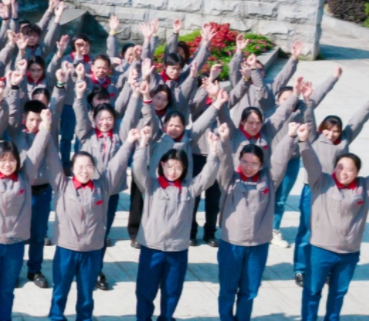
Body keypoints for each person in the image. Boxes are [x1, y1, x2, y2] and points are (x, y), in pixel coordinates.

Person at [297, 123, 369, 321]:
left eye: (350, 170)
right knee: (312, 290)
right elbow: (310, 160)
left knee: (338, 293)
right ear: (334, 168)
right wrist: (303, 141)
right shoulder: (321, 182)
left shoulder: (365, 187)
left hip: (348, 254)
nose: (344, 172)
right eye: (340, 167)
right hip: (320, 251)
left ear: (357, 172)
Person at [0, 108, 55, 321]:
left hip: (15, 243)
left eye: (11, 160)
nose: (7, 164)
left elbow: (36, 152)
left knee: (7, 290)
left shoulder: (25, 177)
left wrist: (45, 127)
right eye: (2, 160)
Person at [48, 120, 139, 321]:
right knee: (60, 290)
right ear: (72, 168)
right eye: (79, 166)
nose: (84, 170)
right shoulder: (62, 185)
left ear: (94, 169)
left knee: (86, 294)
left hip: (92, 250)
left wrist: (129, 142)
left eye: (88, 166)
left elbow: (116, 165)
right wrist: (46, 130)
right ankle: (56, 317)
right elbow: (52, 158)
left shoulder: (102, 186)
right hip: (66, 249)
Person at [131, 128, 224, 321]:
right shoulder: (151, 185)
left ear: (184, 169)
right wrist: (142, 144)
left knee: (172, 291)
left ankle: (166, 317)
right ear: (162, 165)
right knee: (145, 290)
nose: (173, 172)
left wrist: (214, 150)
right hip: (152, 248)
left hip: (177, 250)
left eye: (178, 168)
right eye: (169, 166)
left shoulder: (189, 188)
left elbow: (207, 176)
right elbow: (138, 169)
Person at [213, 123, 299, 321]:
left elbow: (280, 160)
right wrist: (224, 141)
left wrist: (290, 136)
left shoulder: (268, 180)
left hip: (257, 246)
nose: (248, 167)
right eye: (244, 161)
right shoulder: (230, 179)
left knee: (250, 290)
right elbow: (224, 161)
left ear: (261, 164)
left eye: (254, 163)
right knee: (227, 289)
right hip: (231, 244)